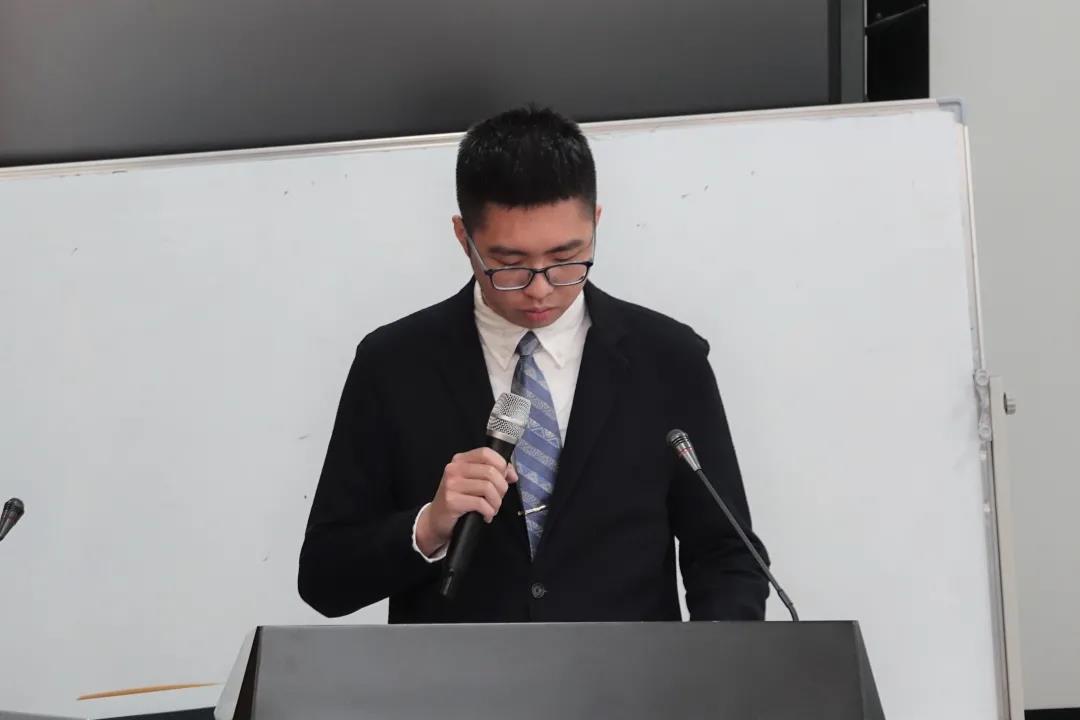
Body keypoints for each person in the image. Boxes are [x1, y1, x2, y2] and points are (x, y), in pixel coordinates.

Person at [298, 105, 770, 623]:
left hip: (629, 674)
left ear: (595, 223)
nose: (541, 289)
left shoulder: (669, 359)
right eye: (510, 265)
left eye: (566, 259)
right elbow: (324, 577)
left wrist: (717, 665)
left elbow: (727, 557)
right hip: (458, 674)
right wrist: (428, 526)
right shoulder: (394, 364)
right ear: (464, 238)